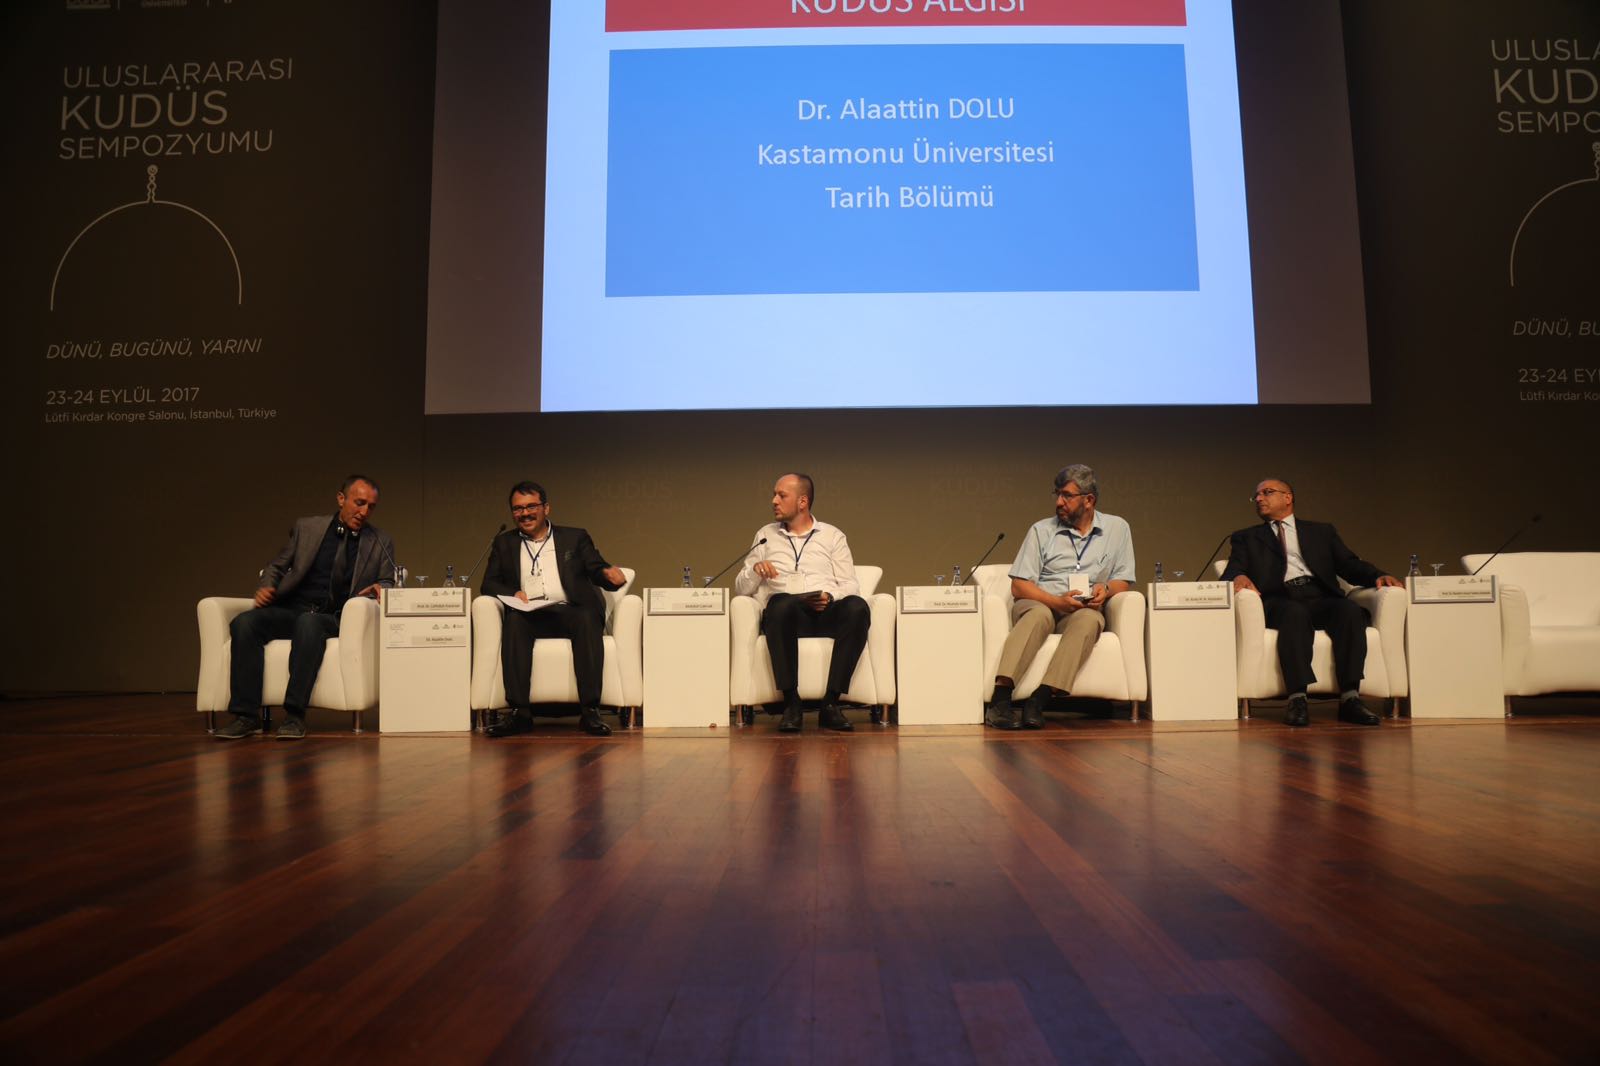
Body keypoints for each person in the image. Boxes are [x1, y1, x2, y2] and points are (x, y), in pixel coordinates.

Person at [217, 474, 397, 740]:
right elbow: (277, 566)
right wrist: (267, 585)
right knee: (245, 623)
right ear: (341, 499)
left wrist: (381, 587)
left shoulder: (380, 541)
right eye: (359, 503)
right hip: (295, 608)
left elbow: (388, 580)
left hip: (335, 616)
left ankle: (294, 715)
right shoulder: (307, 528)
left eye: (371, 507)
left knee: (309, 623)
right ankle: (246, 716)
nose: (364, 512)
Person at [1221, 478, 1400, 727]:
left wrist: (1377, 575)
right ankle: (1297, 699)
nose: (1259, 498)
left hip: (1320, 595)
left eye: (1267, 492)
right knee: (1294, 614)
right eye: (1257, 495)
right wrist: (1238, 576)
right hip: (1279, 599)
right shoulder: (1246, 537)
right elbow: (1233, 569)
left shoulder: (1321, 532)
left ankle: (1350, 698)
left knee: (1349, 611)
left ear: (1288, 498)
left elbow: (1348, 564)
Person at [985, 464, 1136, 730]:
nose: (1059, 502)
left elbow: (1123, 580)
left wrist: (1105, 589)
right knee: (1039, 615)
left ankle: (1040, 699)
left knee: (1090, 619)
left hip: (1080, 608)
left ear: (1089, 500)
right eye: (1057, 494)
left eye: (1067, 495)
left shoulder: (1117, 528)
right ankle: (1000, 700)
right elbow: (1019, 586)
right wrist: (1056, 602)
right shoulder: (1041, 530)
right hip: (1041, 601)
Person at [481, 481, 627, 738]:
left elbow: (595, 567)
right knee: (514, 622)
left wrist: (609, 576)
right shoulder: (504, 543)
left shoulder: (574, 537)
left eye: (531, 507)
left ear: (546, 508)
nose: (525, 514)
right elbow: (488, 583)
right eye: (518, 509)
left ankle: (590, 712)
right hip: (532, 613)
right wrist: (513, 594)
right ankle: (519, 714)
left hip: (571, 611)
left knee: (586, 618)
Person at [734, 473, 869, 733]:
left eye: (781, 495)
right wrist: (755, 570)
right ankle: (791, 703)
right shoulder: (765, 535)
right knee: (780, 603)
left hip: (826, 613)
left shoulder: (832, 536)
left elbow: (850, 584)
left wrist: (829, 597)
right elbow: (741, 589)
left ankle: (831, 703)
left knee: (857, 607)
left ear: (802, 501)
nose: (774, 501)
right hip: (786, 618)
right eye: (774, 495)